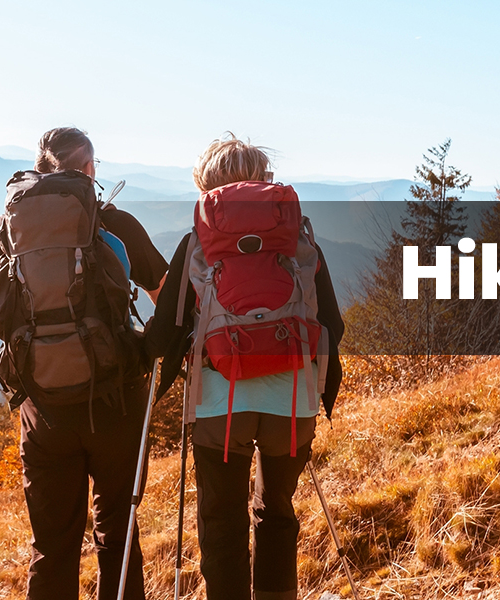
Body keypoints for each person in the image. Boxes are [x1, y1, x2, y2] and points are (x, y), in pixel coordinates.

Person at [0, 127, 167, 600]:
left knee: (51, 546)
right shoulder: (116, 224)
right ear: (88, 171)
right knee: (118, 539)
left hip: (44, 411)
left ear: (38, 172)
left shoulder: (5, 229)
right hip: (117, 402)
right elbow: (166, 298)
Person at [145, 135, 345, 600]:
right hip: (291, 405)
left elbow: (164, 334)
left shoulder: (197, 243)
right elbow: (332, 323)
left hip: (220, 405)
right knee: (276, 511)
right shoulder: (298, 240)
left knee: (222, 519)